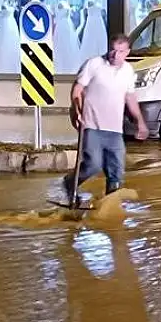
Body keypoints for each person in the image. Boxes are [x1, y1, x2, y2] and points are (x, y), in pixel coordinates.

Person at [63, 33, 149, 201]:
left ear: (127, 53)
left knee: (116, 172)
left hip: (115, 129)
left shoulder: (128, 71)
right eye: (112, 50)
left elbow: (130, 97)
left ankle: (109, 206)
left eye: (120, 51)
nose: (115, 55)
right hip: (92, 126)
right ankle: (70, 182)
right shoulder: (94, 64)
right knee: (93, 165)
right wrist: (76, 110)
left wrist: (140, 122)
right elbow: (77, 89)